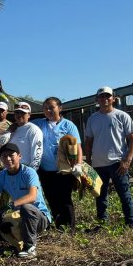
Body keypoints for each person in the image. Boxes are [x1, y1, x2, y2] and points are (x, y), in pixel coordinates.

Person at [84, 86, 133, 229]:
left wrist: (127, 160)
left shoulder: (122, 116)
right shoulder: (92, 119)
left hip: (118, 163)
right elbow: (88, 143)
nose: (104, 99)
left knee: (124, 195)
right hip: (98, 165)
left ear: (113, 99)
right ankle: (102, 223)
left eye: (107, 96)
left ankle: (131, 223)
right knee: (100, 196)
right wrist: (88, 163)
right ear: (97, 100)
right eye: (101, 96)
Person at [0, 143, 52, 258]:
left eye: (11, 155)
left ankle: (30, 248)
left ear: (19, 156)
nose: (8, 159)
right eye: (4, 156)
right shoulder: (1, 176)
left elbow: (32, 196)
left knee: (26, 208)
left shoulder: (29, 172)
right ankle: (17, 242)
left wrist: (11, 205)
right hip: (19, 216)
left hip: (39, 217)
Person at [35, 97, 83, 230]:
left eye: (51, 107)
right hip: (45, 170)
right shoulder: (39, 124)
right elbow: (24, 123)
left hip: (64, 169)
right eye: (45, 108)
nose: (48, 110)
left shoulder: (68, 125)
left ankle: (70, 228)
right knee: (51, 198)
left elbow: (77, 146)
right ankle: (58, 225)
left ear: (60, 108)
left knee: (65, 199)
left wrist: (78, 164)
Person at [8, 102, 42, 170]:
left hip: (26, 169)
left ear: (29, 115)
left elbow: (37, 154)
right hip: (10, 169)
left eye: (23, 113)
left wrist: (32, 172)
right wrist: (8, 131)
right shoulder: (12, 129)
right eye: (17, 112)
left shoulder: (33, 129)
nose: (19, 115)